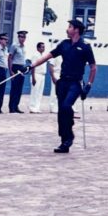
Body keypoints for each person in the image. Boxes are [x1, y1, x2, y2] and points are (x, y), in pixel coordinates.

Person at [27, 20, 96, 153]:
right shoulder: (64, 44)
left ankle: (69, 135)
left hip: (75, 83)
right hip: (62, 82)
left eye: (69, 27)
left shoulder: (85, 47)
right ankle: (65, 140)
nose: (67, 29)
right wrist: (31, 66)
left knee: (66, 106)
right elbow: (47, 56)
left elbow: (93, 68)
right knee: (61, 112)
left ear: (76, 30)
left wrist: (88, 86)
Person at [8, 31, 29, 113]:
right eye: (20, 37)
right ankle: (11, 107)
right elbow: (10, 58)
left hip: (22, 67)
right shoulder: (14, 46)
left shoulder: (24, 47)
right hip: (15, 67)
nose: (22, 38)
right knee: (14, 88)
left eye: (24, 37)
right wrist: (11, 71)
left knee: (19, 89)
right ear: (18, 37)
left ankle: (16, 106)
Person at [29, 42, 49, 113]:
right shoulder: (35, 55)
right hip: (36, 74)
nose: (43, 48)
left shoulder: (44, 55)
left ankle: (37, 107)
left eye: (44, 47)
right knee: (35, 91)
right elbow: (33, 66)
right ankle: (32, 107)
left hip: (42, 75)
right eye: (42, 47)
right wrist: (33, 77)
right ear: (38, 48)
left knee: (40, 92)